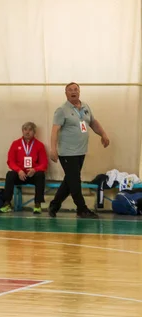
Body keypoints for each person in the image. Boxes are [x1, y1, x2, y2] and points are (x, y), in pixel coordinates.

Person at [48, 82, 110, 218]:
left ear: (79, 91)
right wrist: (53, 149)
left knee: (69, 181)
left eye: (75, 89)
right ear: (66, 94)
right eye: (70, 90)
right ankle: (82, 209)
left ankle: (54, 205)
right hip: (67, 153)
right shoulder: (61, 110)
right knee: (75, 181)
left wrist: (103, 134)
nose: (73, 91)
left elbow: (93, 122)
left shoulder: (85, 107)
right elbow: (55, 131)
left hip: (81, 152)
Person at [0, 122, 48, 214]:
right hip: (20, 175)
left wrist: (35, 170)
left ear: (34, 132)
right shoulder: (15, 144)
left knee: (40, 175)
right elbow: (10, 161)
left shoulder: (39, 145)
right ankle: (7, 203)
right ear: (22, 131)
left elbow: (44, 163)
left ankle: (37, 204)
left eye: (30, 130)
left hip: (32, 175)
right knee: (10, 175)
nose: (27, 132)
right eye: (25, 130)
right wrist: (19, 170)